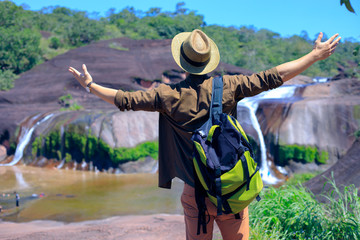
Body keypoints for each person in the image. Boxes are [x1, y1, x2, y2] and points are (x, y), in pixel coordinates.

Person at [69, 29, 340, 240]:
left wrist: (91, 85)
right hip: (232, 189)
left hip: (195, 194)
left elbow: (124, 99)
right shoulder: (231, 86)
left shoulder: (168, 95)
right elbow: (273, 76)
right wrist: (314, 56)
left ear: (184, 63)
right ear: (209, 62)